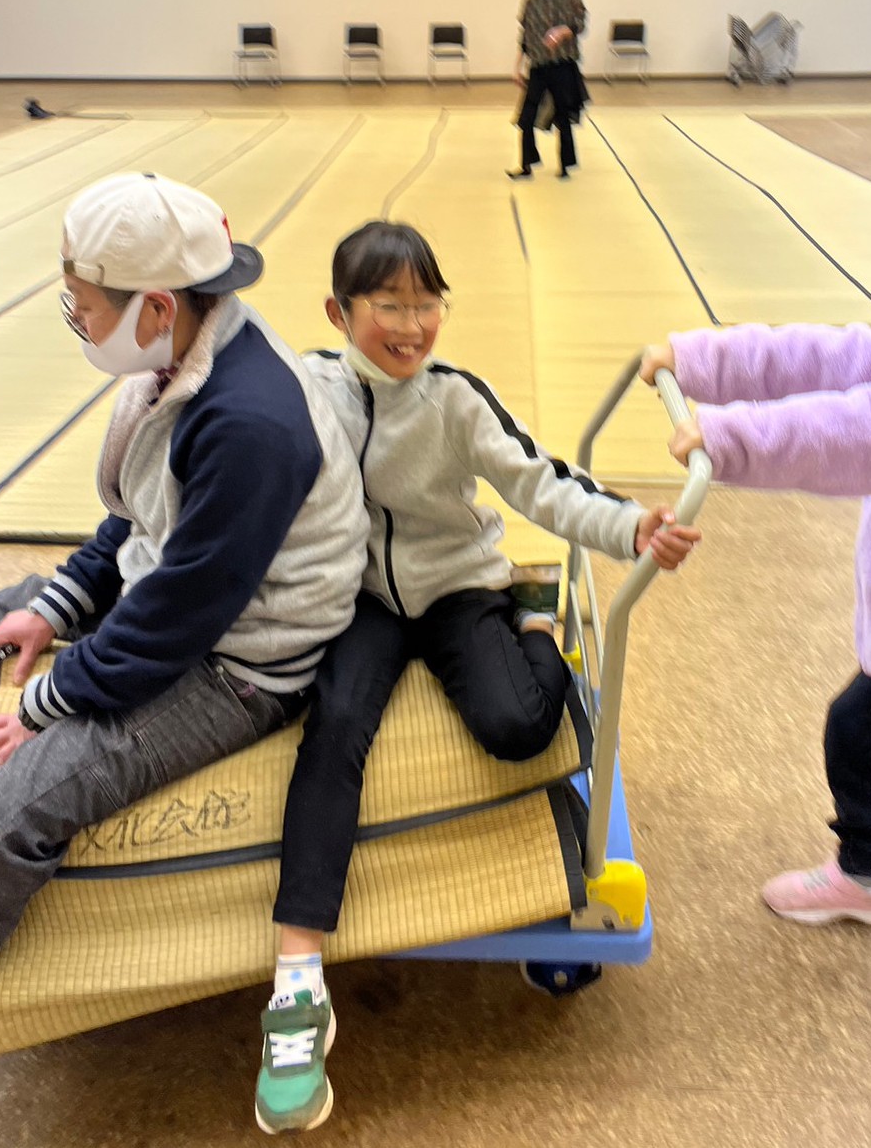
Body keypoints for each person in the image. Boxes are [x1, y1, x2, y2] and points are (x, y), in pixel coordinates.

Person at [254, 220, 701, 1134]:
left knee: (519, 726)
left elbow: (542, 481)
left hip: (459, 586)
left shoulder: (454, 399)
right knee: (333, 726)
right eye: (389, 304)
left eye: (427, 303)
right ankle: (297, 981)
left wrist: (630, 527)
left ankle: (531, 618)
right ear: (339, 312)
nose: (411, 324)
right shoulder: (307, 387)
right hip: (361, 598)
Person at [0, 172, 368, 1056]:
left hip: (238, 667)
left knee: (18, 802)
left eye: (83, 311)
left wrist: (41, 707)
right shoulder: (181, 357)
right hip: (188, 607)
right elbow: (142, 511)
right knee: (2, 614)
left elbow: (172, 619)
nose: (79, 325)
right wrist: (54, 609)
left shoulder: (250, 422)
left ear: (156, 307)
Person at [641, 274, 871, 930]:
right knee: (854, 730)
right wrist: (703, 362)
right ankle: (863, 875)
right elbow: (845, 356)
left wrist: (737, 438)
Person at [508, 0, 588, 181]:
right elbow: (525, 37)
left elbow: (580, 24)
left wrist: (563, 31)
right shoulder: (530, 1)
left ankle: (565, 166)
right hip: (539, 67)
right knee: (526, 117)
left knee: (563, 116)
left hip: (563, 65)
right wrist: (517, 67)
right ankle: (526, 165)